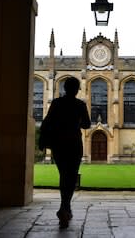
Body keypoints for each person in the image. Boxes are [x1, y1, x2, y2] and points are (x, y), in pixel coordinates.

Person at [40, 76, 90, 229]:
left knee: (64, 176)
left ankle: (64, 208)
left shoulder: (56, 103)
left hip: (59, 144)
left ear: (64, 88)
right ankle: (65, 208)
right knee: (71, 176)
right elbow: (87, 124)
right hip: (74, 144)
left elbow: (47, 122)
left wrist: (43, 140)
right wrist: (76, 122)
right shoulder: (80, 104)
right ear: (76, 89)